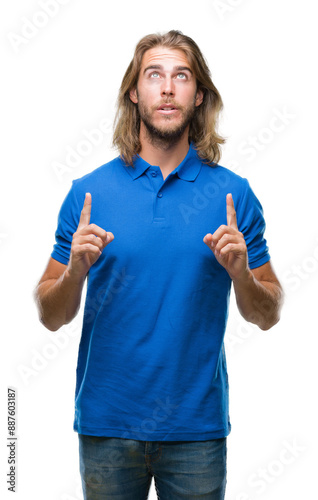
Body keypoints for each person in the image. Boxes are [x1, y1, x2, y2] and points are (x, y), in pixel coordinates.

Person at [34, 30, 284, 500]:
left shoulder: (234, 194)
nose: (167, 88)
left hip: (197, 431)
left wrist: (242, 274)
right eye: (154, 75)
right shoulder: (88, 193)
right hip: (107, 425)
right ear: (135, 92)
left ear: (199, 95)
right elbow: (50, 316)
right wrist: (75, 271)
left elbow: (267, 315)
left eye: (181, 76)